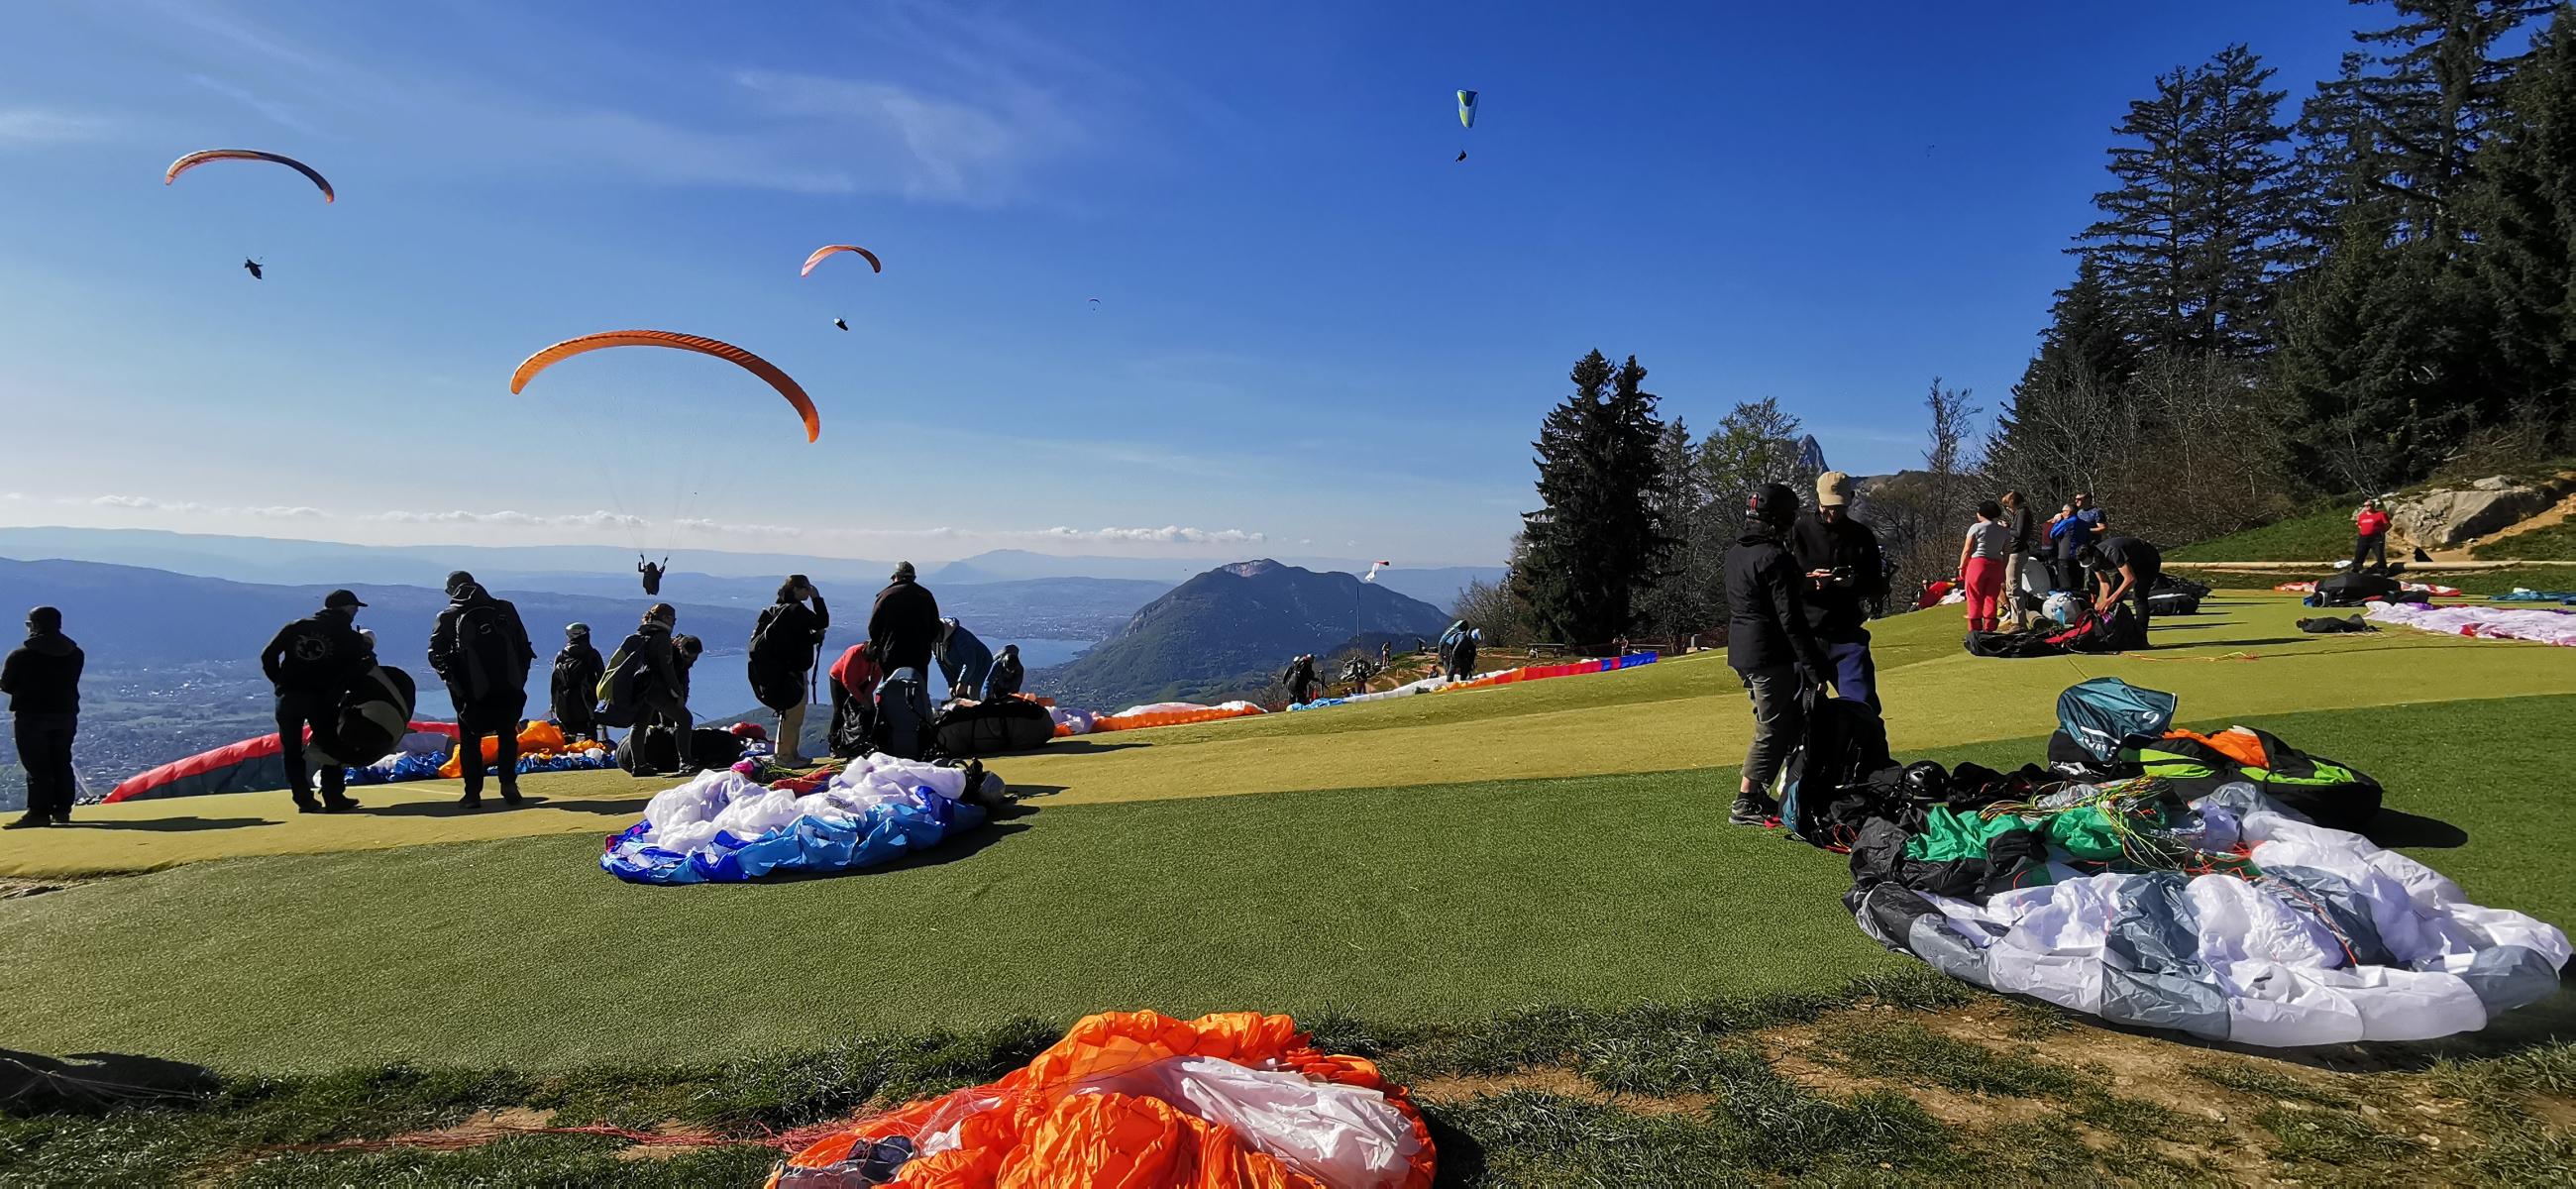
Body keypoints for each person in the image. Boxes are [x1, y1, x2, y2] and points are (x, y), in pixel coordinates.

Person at [1725, 482, 1833, 826]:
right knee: (1773, 728)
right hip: (1768, 652)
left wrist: (1798, 579)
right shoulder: (1776, 557)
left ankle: (1759, 795)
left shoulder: (1736, 553)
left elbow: (1759, 591)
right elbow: (1790, 619)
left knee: (1772, 724)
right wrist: (1816, 668)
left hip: (1741, 650)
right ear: (1780, 519)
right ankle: (1746, 801)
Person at [429, 572, 535, 811]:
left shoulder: (447, 616)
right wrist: (519, 680)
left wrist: (454, 684)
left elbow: (435, 655)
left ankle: (472, 794)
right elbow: (523, 646)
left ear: (451, 591)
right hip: (508, 686)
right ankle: (509, 784)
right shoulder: (505, 609)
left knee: (470, 741)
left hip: (470, 692)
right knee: (507, 734)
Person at [260, 590, 369, 812]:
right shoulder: (349, 637)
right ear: (347, 609)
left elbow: (268, 655)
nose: (355, 613)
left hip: (288, 697)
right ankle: (333, 796)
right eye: (355, 609)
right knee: (331, 745)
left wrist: (279, 682)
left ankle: (303, 799)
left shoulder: (296, 627)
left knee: (291, 749)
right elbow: (360, 669)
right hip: (323, 700)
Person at [1787, 470, 1888, 710]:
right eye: (1828, 507)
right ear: (1818, 500)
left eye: (1839, 507)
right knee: (1796, 712)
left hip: (1846, 634)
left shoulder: (1861, 536)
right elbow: (1780, 583)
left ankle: (1867, 748)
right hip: (1804, 635)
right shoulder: (1797, 532)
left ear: (1851, 499)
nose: (1833, 513)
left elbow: (1878, 586)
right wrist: (1808, 581)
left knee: (1863, 707)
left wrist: (1853, 583)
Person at [3, 607, 82, 828]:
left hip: (32, 716)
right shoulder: (75, 653)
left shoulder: (21, 655)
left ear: (35, 625)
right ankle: (62, 810)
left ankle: (38, 812)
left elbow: (7, 685)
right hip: (66, 714)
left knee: (37, 765)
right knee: (61, 761)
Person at [749, 576, 829, 767]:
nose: (808, 592)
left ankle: (789, 753)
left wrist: (811, 639)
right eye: (806, 589)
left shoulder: (778, 610)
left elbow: (791, 641)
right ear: (796, 590)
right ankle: (786, 756)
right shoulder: (796, 610)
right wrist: (817, 599)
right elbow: (821, 621)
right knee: (793, 715)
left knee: (789, 714)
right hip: (792, 673)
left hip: (780, 672)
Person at [868, 562, 940, 733]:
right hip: (919, 655)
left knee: (891, 693)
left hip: (892, 655)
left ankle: (891, 733)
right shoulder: (925, 595)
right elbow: (935, 628)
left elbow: (873, 628)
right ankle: (919, 732)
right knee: (919, 691)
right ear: (913, 577)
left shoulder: (886, 595)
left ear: (895, 577)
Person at [2078, 535, 2164, 641]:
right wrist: (2105, 604)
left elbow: (2130, 579)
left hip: (2147, 560)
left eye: (2091, 563)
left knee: (2139, 598)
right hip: (2128, 562)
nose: (2091, 566)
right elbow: (2104, 582)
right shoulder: (2092, 561)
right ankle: (2117, 633)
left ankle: (2141, 637)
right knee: (2114, 601)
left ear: (2096, 555)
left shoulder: (2113, 552)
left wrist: (2108, 601)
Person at [1957, 501, 2014, 634]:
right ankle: (1989, 629)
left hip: (1978, 563)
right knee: (1991, 598)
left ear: (1982, 514)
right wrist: (2003, 569)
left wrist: (1962, 565)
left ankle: (1975, 630)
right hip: (1996, 565)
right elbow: (2007, 553)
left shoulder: (1976, 527)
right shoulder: (2004, 531)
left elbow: (1967, 549)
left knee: (1974, 596)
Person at [550, 623, 605, 742]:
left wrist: (553, 704)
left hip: (564, 705)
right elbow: (603, 678)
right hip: (586, 703)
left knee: (567, 737)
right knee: (590, 737)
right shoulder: (592, 654)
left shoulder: (560, 656)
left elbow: (554, 683)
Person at [826, 642, 882, 757]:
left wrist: (866, 695)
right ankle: (835, 745)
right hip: (839, 679)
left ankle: (864, 740)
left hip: (861, 679)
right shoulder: (854, 653)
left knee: (870, 710)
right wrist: (861, 700)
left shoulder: (877, 657)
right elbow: (847, 681)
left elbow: (877, 676)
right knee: (839, 711)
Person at [1999, 490, 2039, 627]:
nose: (2008, 509)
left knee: (2013, 587)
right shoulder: (2022, 512)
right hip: (2017, 551)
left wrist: (2006, 528)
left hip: (2017, 552)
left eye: (2008, 506)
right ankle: (2017, 619)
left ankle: (2018, 623)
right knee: (2011, 587)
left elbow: (2019, 533)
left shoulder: (2022, 512)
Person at [934, 618, 994, 704]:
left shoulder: (960, 636)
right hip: (960, 663)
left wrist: (962, 682)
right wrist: (951, 684)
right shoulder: (934, 641)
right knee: (956, 693)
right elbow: (942, 663)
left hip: (981, 662)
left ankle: (977, 714)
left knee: (972, 694)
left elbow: (970, 662)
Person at [2353, 498, 2392, 573]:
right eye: (2365, 506)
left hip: (2376, 537)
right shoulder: (2362, 516)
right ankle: (2356, 568)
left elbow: (2387, 525)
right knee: (2359, 553)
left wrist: (2381, 531)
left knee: (2379, 554)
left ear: (2373, 505)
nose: (2367, 507)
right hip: (2363, 537)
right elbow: (2359, 525)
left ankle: (2382, 570)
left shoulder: (2380, 514)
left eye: (2369, 505)